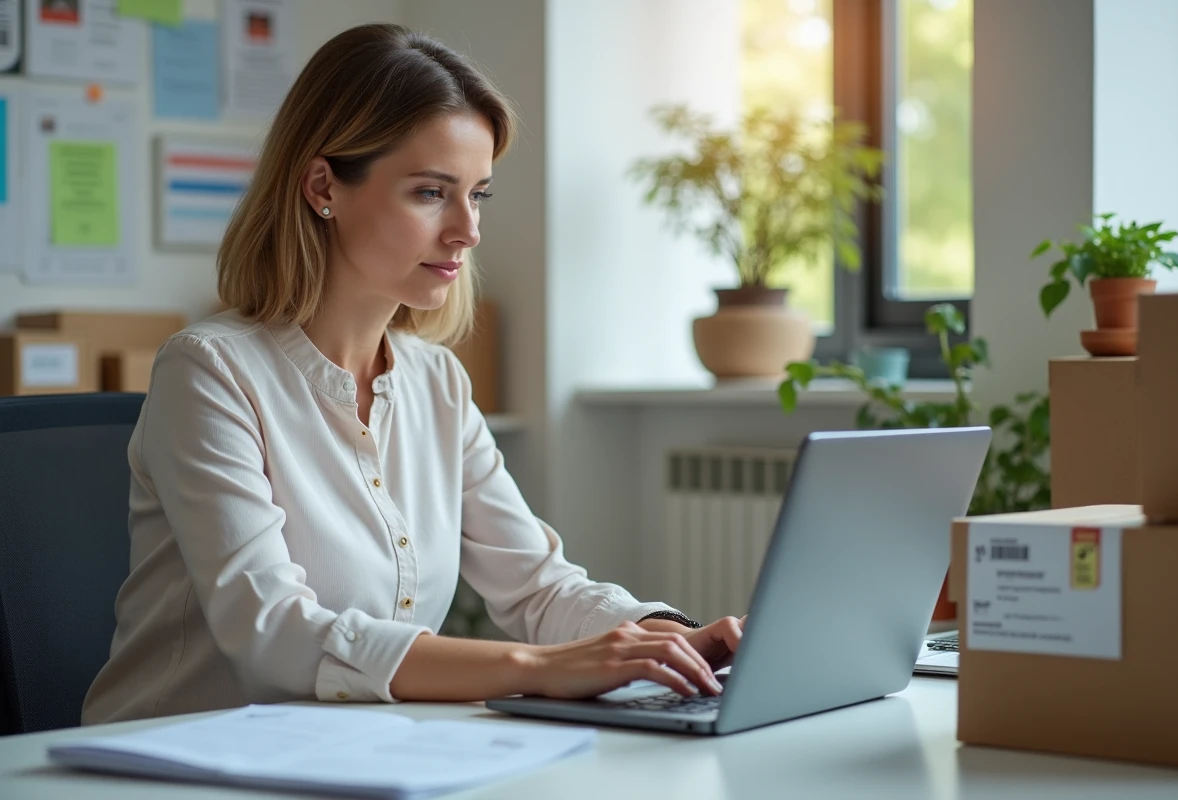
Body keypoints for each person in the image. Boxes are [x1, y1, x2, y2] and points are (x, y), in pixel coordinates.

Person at [82, 24, 744, 725]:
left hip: (353, 753)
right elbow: (273, 631)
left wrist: (669, 635)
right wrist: (538, 669)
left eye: (478, 195)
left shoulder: (437, 383)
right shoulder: (210, 371)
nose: (468, 230)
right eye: (432, 193)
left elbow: (537, 587)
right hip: (174, 758)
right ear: (321, 187)